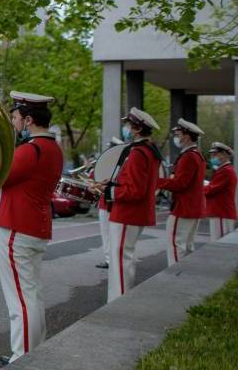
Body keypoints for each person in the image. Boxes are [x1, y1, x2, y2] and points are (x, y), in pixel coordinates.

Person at [0, 92, 64, 367]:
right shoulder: (53, 149)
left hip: (17, 227)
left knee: (20, 299)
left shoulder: (31, 150)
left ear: (28, 120)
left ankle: (23, 357)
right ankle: (32, 351)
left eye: (16, 117)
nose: (13, 121)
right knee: (31, 294)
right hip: (35, 226)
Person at [101, 107, 162, 303]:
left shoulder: (138, 153)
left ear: (136, 129)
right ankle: (121, 299)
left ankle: (118, 303)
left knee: (120, 260)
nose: (125, 128)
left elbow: (135, 190)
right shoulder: (148, 151)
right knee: (125, 258)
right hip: (134, 213)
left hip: (127, 213)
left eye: (128, 124)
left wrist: (109, 191)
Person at [159, 119, 206, 266]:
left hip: (183, 208)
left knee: (176, 245)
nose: (176, 137)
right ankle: (186, 277)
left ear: (186, 136)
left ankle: (175, 280)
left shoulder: (189, 156)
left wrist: (157, 181)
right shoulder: (197, 155)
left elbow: (180, 184)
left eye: (178, 134)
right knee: (187, 247)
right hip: (193, 207)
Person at [95, 136, 126, 270]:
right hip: (109, 202)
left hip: (109, 203)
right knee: (112, 234)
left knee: (107, 234)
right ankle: (113, 258)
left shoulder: (114, 165)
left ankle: (110, 259)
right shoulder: (120, 164)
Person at [205, 142, 236, 240]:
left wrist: (196, 189)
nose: (212, 157)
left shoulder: (225, 170)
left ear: (225, 154)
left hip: (221, 212)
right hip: (221, 212)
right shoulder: (224, 169)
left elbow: (212, 189)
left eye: (215, 154)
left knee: (219, 243)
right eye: (212, 154)